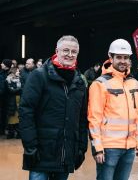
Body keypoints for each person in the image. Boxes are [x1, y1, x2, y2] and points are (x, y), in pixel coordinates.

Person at [19, 35, 88, 180]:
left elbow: (82, 118)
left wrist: (81, 147)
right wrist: (30, 147)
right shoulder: (39, 76)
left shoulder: (79, 82)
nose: (70, 55)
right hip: (41, 153)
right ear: (57, 51)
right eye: (66, 50)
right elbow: (26, 112)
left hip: (66, 154)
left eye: (73, 52)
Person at [88, 39, 138, 180]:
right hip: (108, 148)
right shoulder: (100, 84)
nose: (122, 61)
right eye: (118, 57)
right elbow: (94, 118)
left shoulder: (135, 84)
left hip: (129, 148)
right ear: (110, 57)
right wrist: (97, 148)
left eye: (125, 57)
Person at [6, 67, 22, 139]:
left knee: (18, 117)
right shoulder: (8, 80)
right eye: (18, 71)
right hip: (11, 101)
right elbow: (11, 91)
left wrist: (16, 89)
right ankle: (11, 133)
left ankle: (18, 133)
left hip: (18, 100)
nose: (19, 72)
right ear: (13, 72)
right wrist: (19, 89)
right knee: (11, 117)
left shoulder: (20, 79)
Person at [0, 59, 12, 135]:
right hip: (3, 98)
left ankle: (2, 130)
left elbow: (3, 88)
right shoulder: (2, 73)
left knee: (3, 114)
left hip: (4, 98)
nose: (1, 64)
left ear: (6, 66)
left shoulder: (8, 74)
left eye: (3, 63)